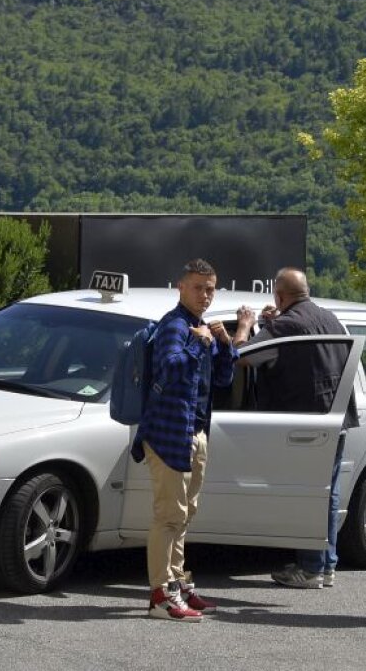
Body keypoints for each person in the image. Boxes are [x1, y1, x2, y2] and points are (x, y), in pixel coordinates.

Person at [131, 258, 238, 623]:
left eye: (210, 288)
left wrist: (223, 344)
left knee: (184, 514)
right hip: (168, 433)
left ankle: (178, 582)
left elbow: (221, 382)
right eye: (198, 287)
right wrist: (200, 345)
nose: (205, 295)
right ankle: (160, 595)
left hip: (195, 430)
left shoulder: (199, 326)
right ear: (180, 287)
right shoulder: (175, 326)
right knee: (168, 515)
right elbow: (170, 368)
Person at [233, 267, 354, 589]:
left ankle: (311, 567)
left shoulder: (285, 325)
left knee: (307, 495)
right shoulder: (330, 318)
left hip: (304, 423)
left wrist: (245, 326)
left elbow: (243, 357)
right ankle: (326, 564)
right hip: (336, 418)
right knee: (327, 492)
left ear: (280, 296)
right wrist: (269, 324)